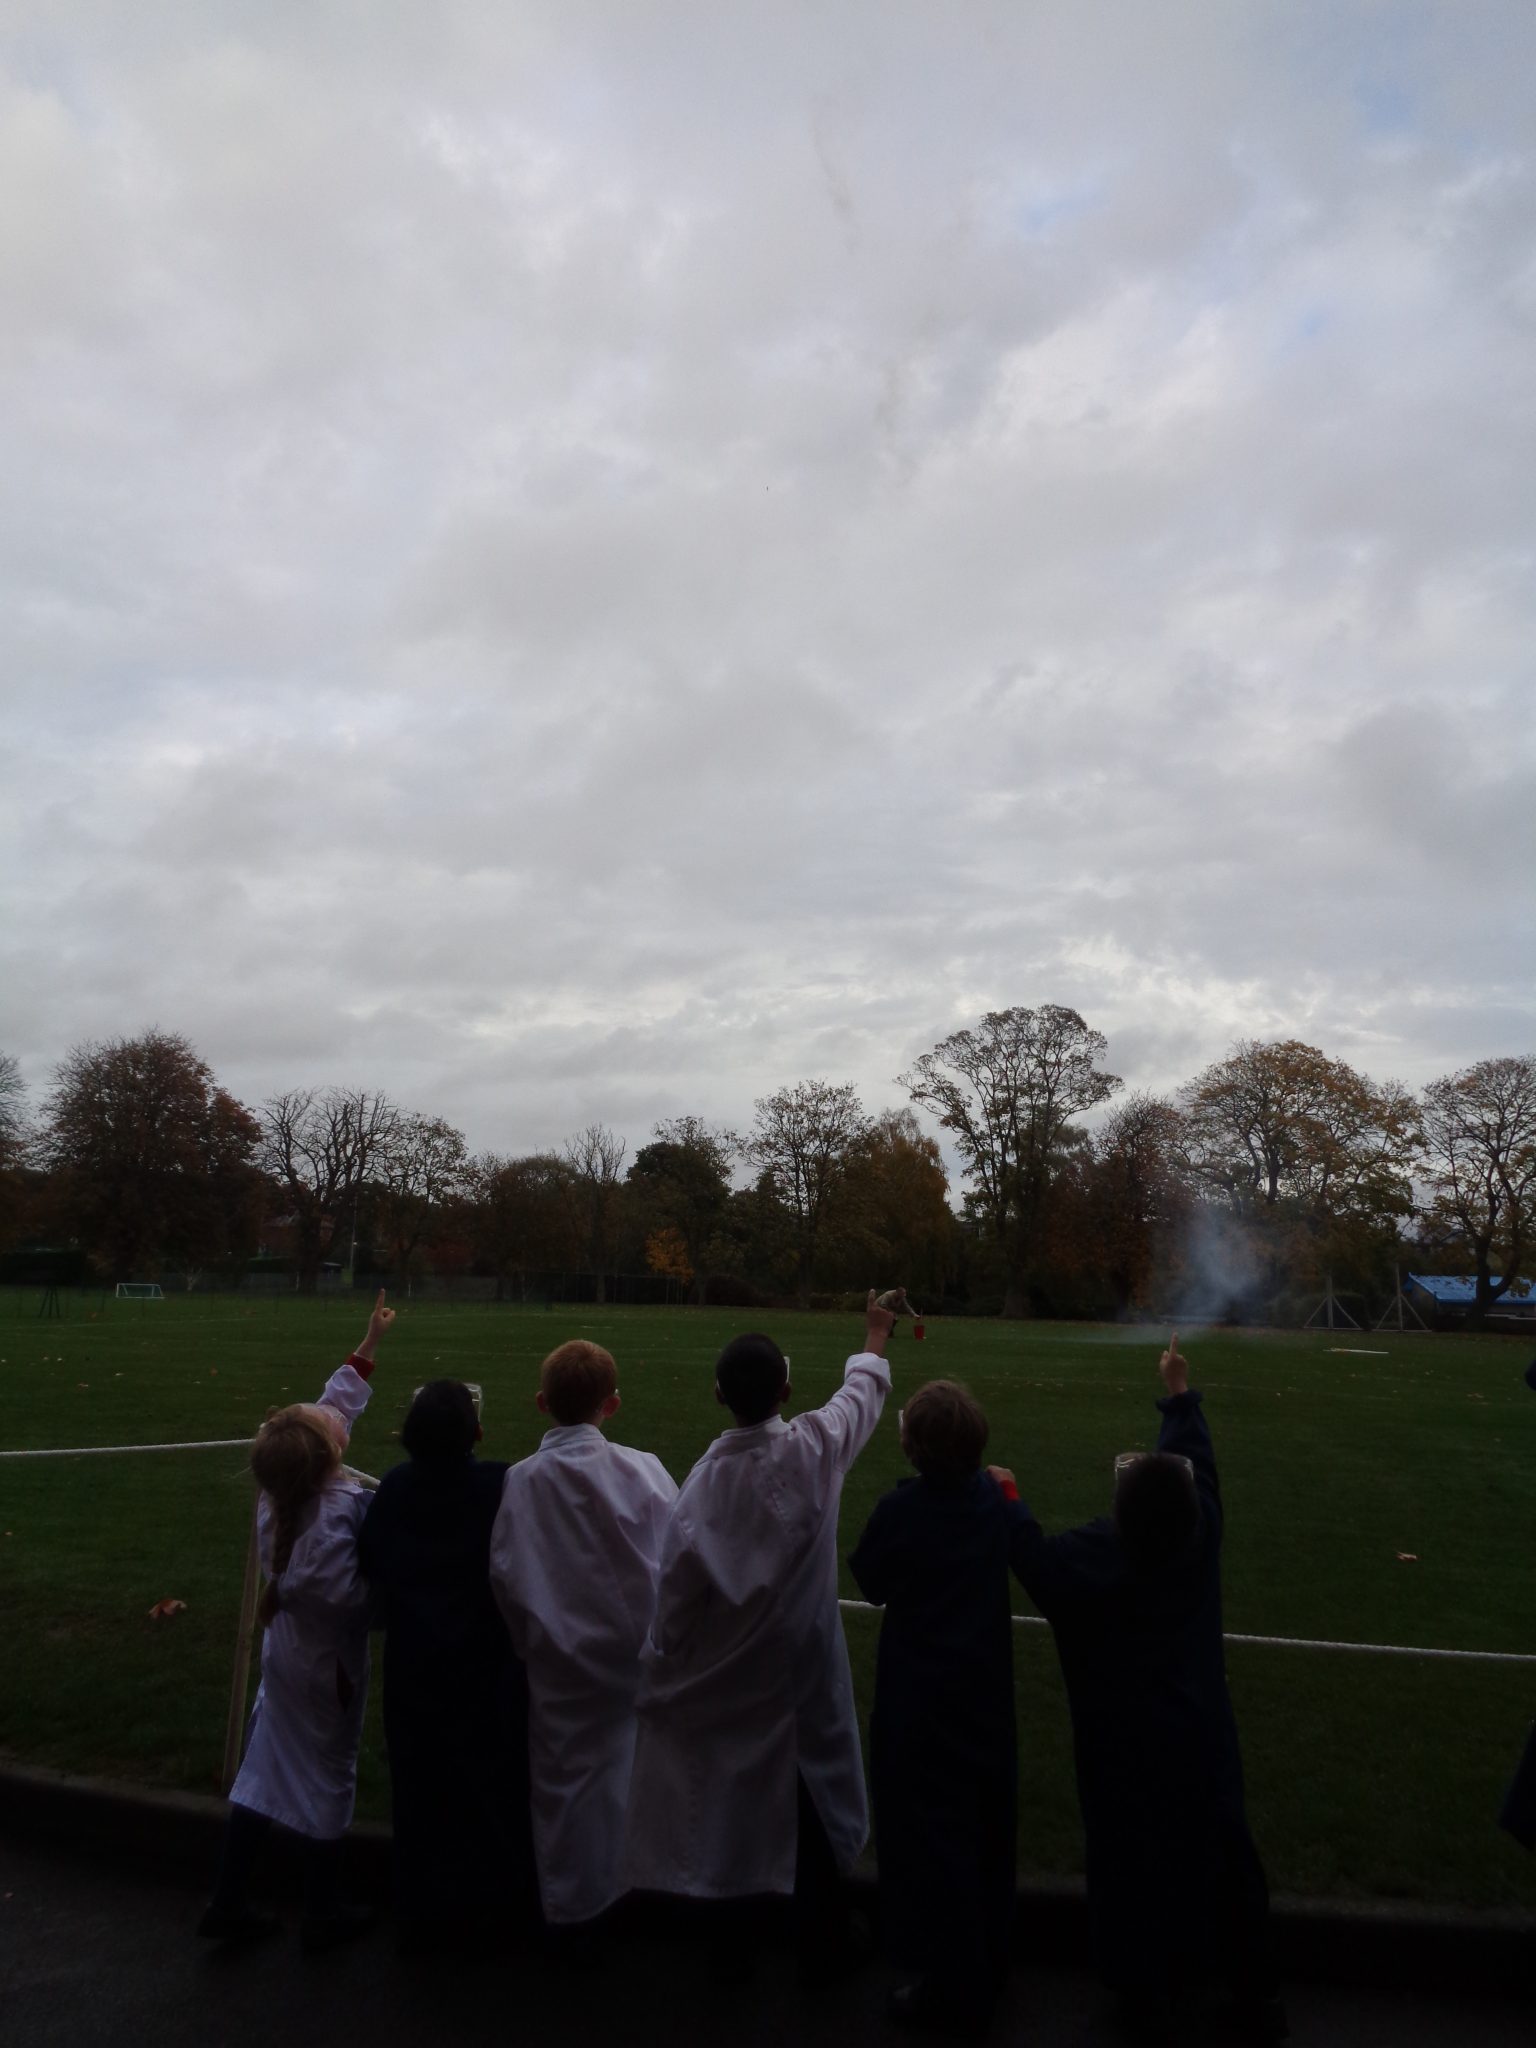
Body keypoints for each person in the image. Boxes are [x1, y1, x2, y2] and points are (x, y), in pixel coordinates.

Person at [1000, 1335, 1284, 2044]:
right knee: (1225, 1856)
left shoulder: (1088, 1562)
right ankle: (1253, 1992)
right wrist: (1179, 1394)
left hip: (1119, 1752)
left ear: (1119, 1515)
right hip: (1200, 1739)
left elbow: (1032, 1559)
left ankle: (1138, 1992)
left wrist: (1008, 1497)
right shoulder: (1200, 1536)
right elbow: (1201, 1469)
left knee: (1126, 1866)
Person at [623, 1291, 897, 1978]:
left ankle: (730, 1937)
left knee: (726, 1804)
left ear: (719, 1395)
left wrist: (664, 1661)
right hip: (802, 1675)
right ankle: (822, 1935)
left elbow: (675, 1608)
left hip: (728, 1687)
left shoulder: (698, 1494)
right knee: (808, 1802)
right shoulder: (816, 1449)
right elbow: (860, 1395)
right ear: (786, 1391)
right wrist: (875, 1331)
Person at [199, 1290, 394, 1952]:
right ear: (330, 1457)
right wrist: (387, 1594)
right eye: (328, 1424)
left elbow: (333, 1406)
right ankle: (321, 1910)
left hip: (283, 1655)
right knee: (329, 1776)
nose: (334, 1416)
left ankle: (227, 1900)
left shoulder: (281, 1491)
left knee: (262, 1769)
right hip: (324, 1668)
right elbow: (350, 1600)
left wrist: (369, 1343)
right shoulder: (337, 1514)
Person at [488, 1339, 677, 1937]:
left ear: (542, 1403)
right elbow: (675, 1560)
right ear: (611, 1404)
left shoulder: (522, 1481)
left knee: (566, 1784)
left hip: (560, 1661)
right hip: (636, 1656)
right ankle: (636, 1889)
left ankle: (576, 1910)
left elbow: (506, 1573)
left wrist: (527, 1642)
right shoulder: (644, 1469)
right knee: (635, 1774)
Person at [848, 1380, 1017, 2038]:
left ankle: (951, 1986)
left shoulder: (903, 1510)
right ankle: (988, 1959)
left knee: (929, 1841)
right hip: (984, 1692)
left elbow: (870, 1582)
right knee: (984, 1824)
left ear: (914, 1448)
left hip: (919, 1698)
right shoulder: (993, 1502)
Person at [357, 1378, 535, 1954]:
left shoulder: (395, 1488)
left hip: (415, 1667)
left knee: (419, 1789)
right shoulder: (500, 1484)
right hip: (486, 1666)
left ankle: (422, 1913)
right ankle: (499, 1910)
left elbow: (371, 1559)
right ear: (475, 1433)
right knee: (492, 1784)